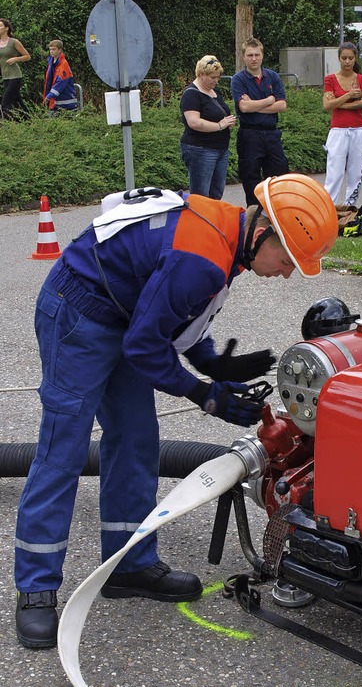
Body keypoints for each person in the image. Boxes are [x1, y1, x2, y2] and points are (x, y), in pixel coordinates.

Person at [13, 175, 339, 650]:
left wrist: (209, 359)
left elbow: (168, 309)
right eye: (288, 259)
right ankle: (36, 590)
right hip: (79, 313)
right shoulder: (204, 256)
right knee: (62, 451)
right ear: (264, 227)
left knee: (137, 440)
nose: (288, 273)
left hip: (123, 313)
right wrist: (204, 392)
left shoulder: (229, 235)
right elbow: (146, 345)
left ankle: (129, 566)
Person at [231, 37, 289, 206]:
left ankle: (279, 214)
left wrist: (254, 105)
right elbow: (244, 108)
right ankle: (255, 219)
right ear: (244, 57)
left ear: (262, 55)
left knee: (278, 176)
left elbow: (282, 105)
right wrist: (270, 99)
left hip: (271, 134)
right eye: (250, 55)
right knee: (250, 178)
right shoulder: (238, 80)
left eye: (257, 54)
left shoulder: (272, 77)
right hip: (249, 135)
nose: (254, 58)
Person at [180, 55, 236, 199]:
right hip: (201, 149)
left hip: (220, 149)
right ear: (201, 75)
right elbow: (194, 122)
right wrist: (219, 125)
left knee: (216, 193)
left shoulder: (214, 92)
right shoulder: (191, 94)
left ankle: (214, 220)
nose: (216, 81)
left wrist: (228, 123)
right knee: (201, 195)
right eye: (212, 77)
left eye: (218, 77)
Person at [322, 42, 362, 206]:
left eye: (350, 58)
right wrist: (349, 95)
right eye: (344, 58)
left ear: (355, 58)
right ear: (339, 59)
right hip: (338, 130)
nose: (347, 62)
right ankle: (330, 208)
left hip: (359, 129)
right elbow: (327, 105)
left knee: (356, 173)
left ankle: (350, 208)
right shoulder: (330, 79)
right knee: (334, 173)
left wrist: (339, 104)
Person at [0, 18, 31, 119]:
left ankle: (6, 126)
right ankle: (30, 121)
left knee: (5, 103)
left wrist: (15, 59)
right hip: (5, 77)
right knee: (18, 101)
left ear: (6, 28)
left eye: (0, 26)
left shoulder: (14, 42)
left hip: (15, 76)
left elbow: (27, 56)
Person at [42, 39, 77, 113]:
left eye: (54, 49)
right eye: (50, 49)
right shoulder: (51, 62)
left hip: (65, 101)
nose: (51, 51)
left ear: (60, 50)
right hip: (55, 101)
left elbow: (60, 83)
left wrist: (49, 96)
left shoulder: (63, 64)